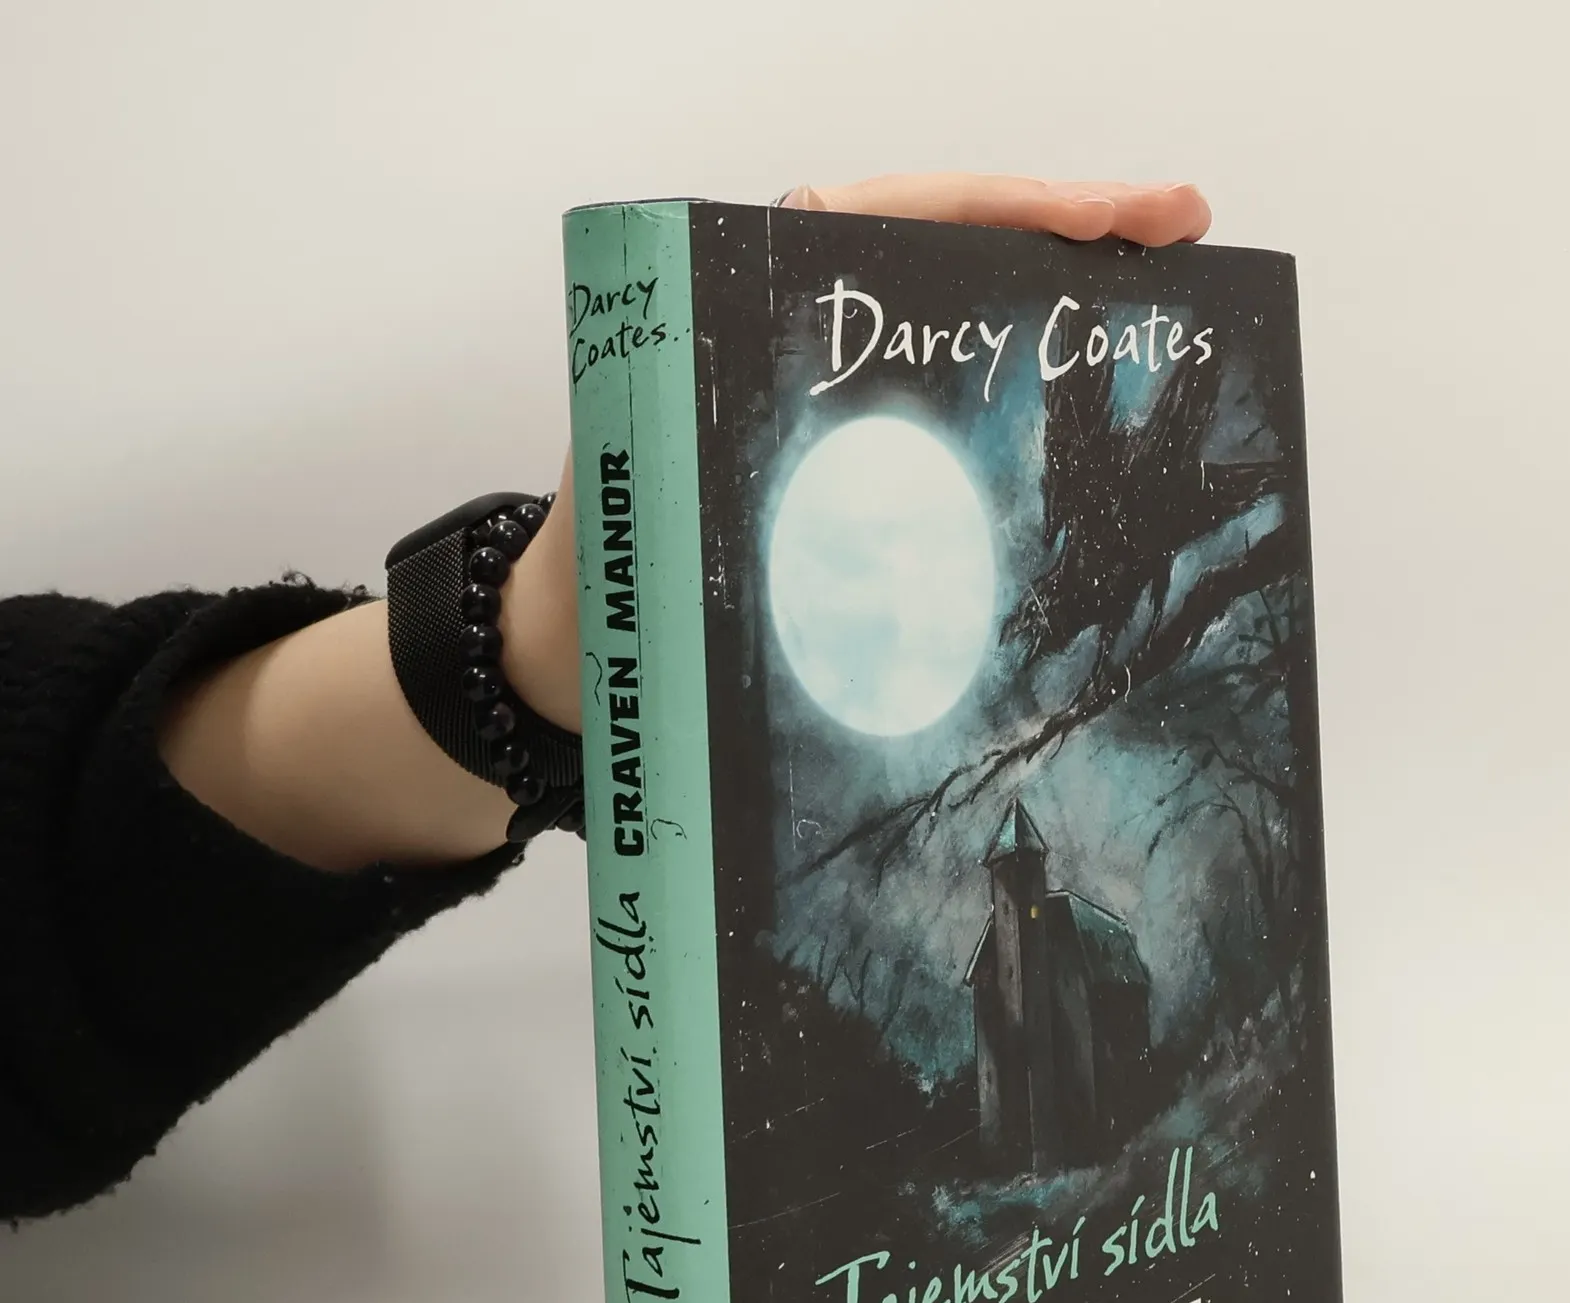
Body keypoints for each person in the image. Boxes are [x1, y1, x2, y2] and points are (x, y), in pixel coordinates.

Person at [0, 173, 1212, 1225]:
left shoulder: (1069, 940)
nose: (1014, 883)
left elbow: (43, 922)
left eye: (1019, 871)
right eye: (1013, 871)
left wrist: (535, 649)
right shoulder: (1000, 944)